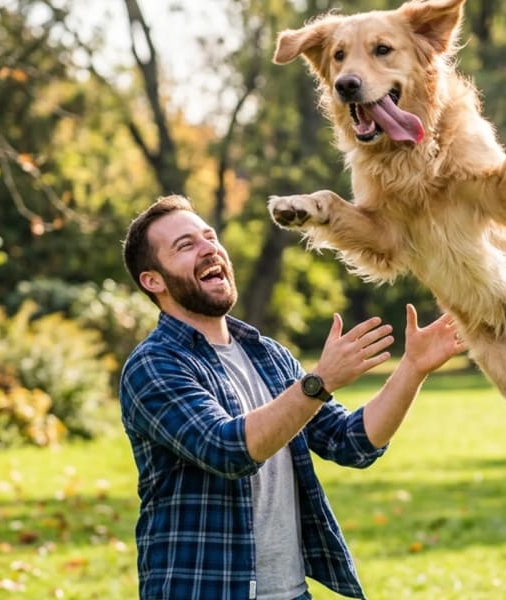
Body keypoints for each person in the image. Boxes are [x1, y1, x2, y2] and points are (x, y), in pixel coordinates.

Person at [118, 195, 466, 599]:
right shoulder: (154, 365)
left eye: (209, 237)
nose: (209, 248)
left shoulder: (266, 354)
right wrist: (319, 382)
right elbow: (228, 449)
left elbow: (352, 442)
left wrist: (413, 368)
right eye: (186, 245)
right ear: (153, 280)